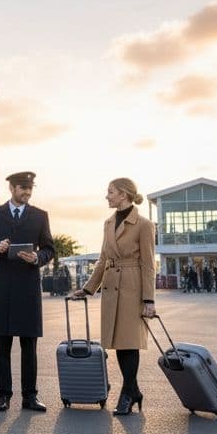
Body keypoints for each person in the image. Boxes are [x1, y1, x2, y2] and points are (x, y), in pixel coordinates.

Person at [70, 177, 156, 416]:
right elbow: (103, 259)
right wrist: (88, 288)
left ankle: (128, 393)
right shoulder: (108, 222)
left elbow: (149, 264)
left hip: (132, 288)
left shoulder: (144, 224)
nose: (106, 196)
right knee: (118, 344)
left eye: (111, 192)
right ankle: (134, 390)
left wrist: (149, 300)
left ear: (124, 194)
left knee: (130, 343)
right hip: (110, 287)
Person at [0, 171, 55, 412]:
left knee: (29, 346)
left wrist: (37, 257)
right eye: (23, 188)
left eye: (30, 188)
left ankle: (30, 396)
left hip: (28, 287)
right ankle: (3, 396)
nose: (28, 192)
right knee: (2, 345)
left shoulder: (40, 216)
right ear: (11, 188)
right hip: (2, 287)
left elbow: (49, 249)